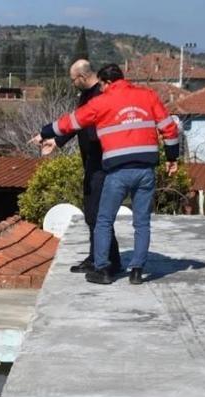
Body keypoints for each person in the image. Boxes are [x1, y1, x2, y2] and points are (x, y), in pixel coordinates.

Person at [33, 63, 180, 285]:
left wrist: (45, 131)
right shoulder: (148, 96)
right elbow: (170, 128)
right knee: (141, 222)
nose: (100, 88)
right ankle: (138, 271)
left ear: (107, 82)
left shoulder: (102, 101)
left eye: (101, 85)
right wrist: (172, 157)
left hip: (118, 171)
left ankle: (102, 269)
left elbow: (71, 122)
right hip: (146, 170)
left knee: (103, 220)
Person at [51, 60, 121, 275]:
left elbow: (91, 125)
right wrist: (56, 141)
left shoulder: (99, 95)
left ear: (82, 77)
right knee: (92, 214)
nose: (73, 84)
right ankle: (97, 256)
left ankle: (109, 260)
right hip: (91, 162)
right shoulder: (86, 96)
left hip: (102, 162)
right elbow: (76, 122)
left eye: (73, 80)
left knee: (98, 215)